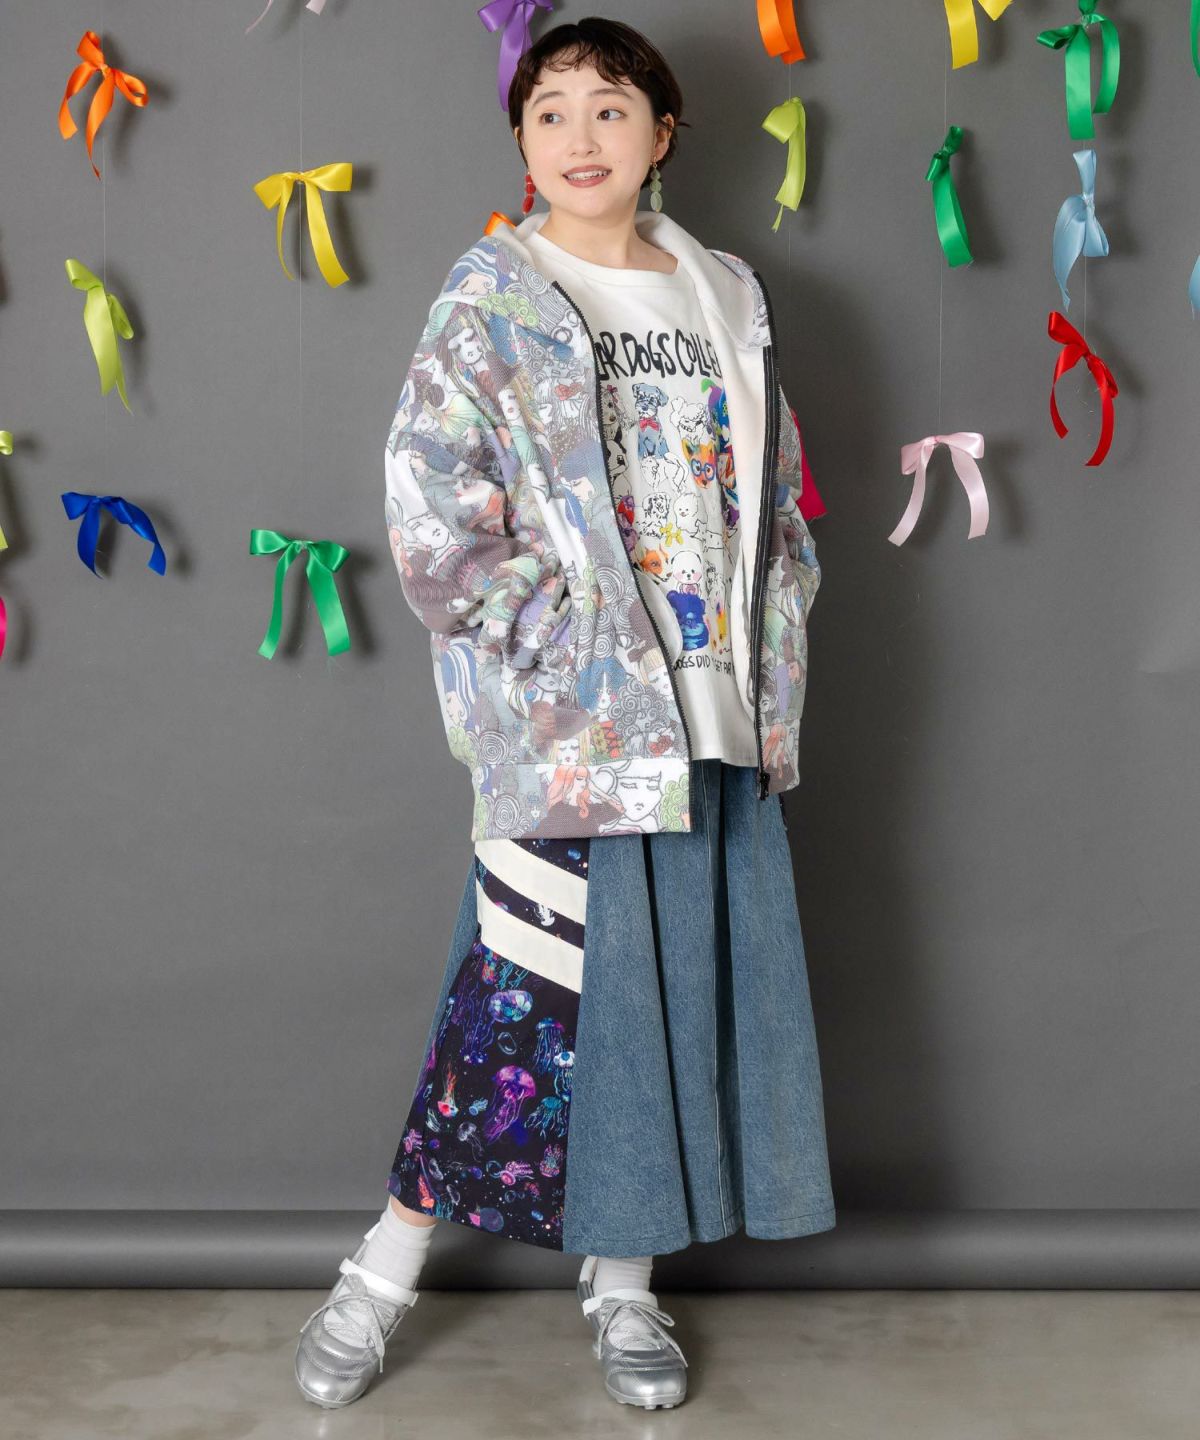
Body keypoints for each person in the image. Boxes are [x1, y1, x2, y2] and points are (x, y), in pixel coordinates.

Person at [295, 15, 835, 1413]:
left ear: (661, 133)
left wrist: (773, 630)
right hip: (578, 728)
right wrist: (560, 656)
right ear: (522, 142)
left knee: (663, 1009)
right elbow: (432, 506)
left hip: (719, 717)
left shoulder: (725, 291)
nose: (579, 137)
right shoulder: (494, 292)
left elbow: (777, 498)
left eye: (609, 108)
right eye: (549, 112)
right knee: (519, 1001)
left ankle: (625, 1288)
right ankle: (378, 1276)